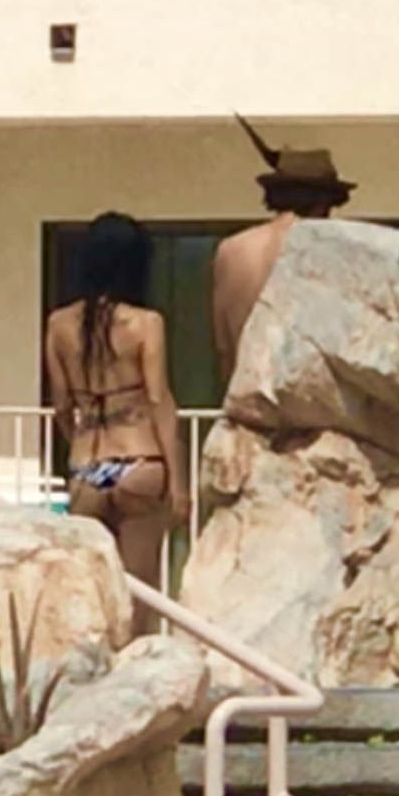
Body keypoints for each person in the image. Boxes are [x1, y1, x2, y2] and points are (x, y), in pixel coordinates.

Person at [45, 212, 188, 635]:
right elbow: (158, 401)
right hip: (138, 462)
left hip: (89, 467)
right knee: (140, 596)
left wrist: (78, 447)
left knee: (94, 598)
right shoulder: (145, 323)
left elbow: (61, 406)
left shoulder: (59, 325)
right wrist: (178, 482)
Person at [212, 115, 357, 383]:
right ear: (323, 202)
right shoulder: (325, 247)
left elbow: (223, 349)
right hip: (305, 397)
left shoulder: (229, 251)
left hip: (244, 394)